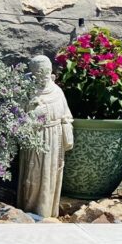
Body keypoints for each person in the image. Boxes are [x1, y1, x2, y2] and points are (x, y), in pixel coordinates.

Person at [19, 55, 74, 218]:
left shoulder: (57, 91)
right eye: (39, 73)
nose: (43, 77)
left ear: (50, 72)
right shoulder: (26, 92)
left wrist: (66, 127)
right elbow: (17, 121)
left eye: (46, 73)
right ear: (33, 73)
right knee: (33, 175)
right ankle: (30, 210)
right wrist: (35, 115)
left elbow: (66, 115)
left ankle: (47, 212)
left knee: (51, 174)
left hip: (54, 139)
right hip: (35, 138)